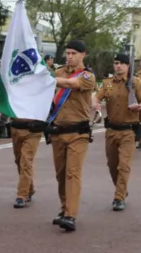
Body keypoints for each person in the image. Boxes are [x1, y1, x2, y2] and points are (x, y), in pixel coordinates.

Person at [46, 39, 96, 232]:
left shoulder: (87, 76)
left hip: (78, 133)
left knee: (72, 174)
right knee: (60, 175)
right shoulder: (58, 72)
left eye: (74, 53)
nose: (69, 56)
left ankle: (70, 215)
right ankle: (64, 208)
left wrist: (47, 79)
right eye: (67, 53)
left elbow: (69, 84)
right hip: (58, 132)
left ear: (84, 54)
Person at [92, 53, 141, 211]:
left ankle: (119, 196)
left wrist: (139, 107)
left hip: (128, 131)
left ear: (128, 66)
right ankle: (121, 188)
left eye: (122, 63)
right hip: (111, 130)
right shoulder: (107, 83)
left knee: (124, 165)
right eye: (116, 63)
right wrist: (96, 104)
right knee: (112, 164)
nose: (118, 66)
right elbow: (96, 97)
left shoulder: (136, 82)